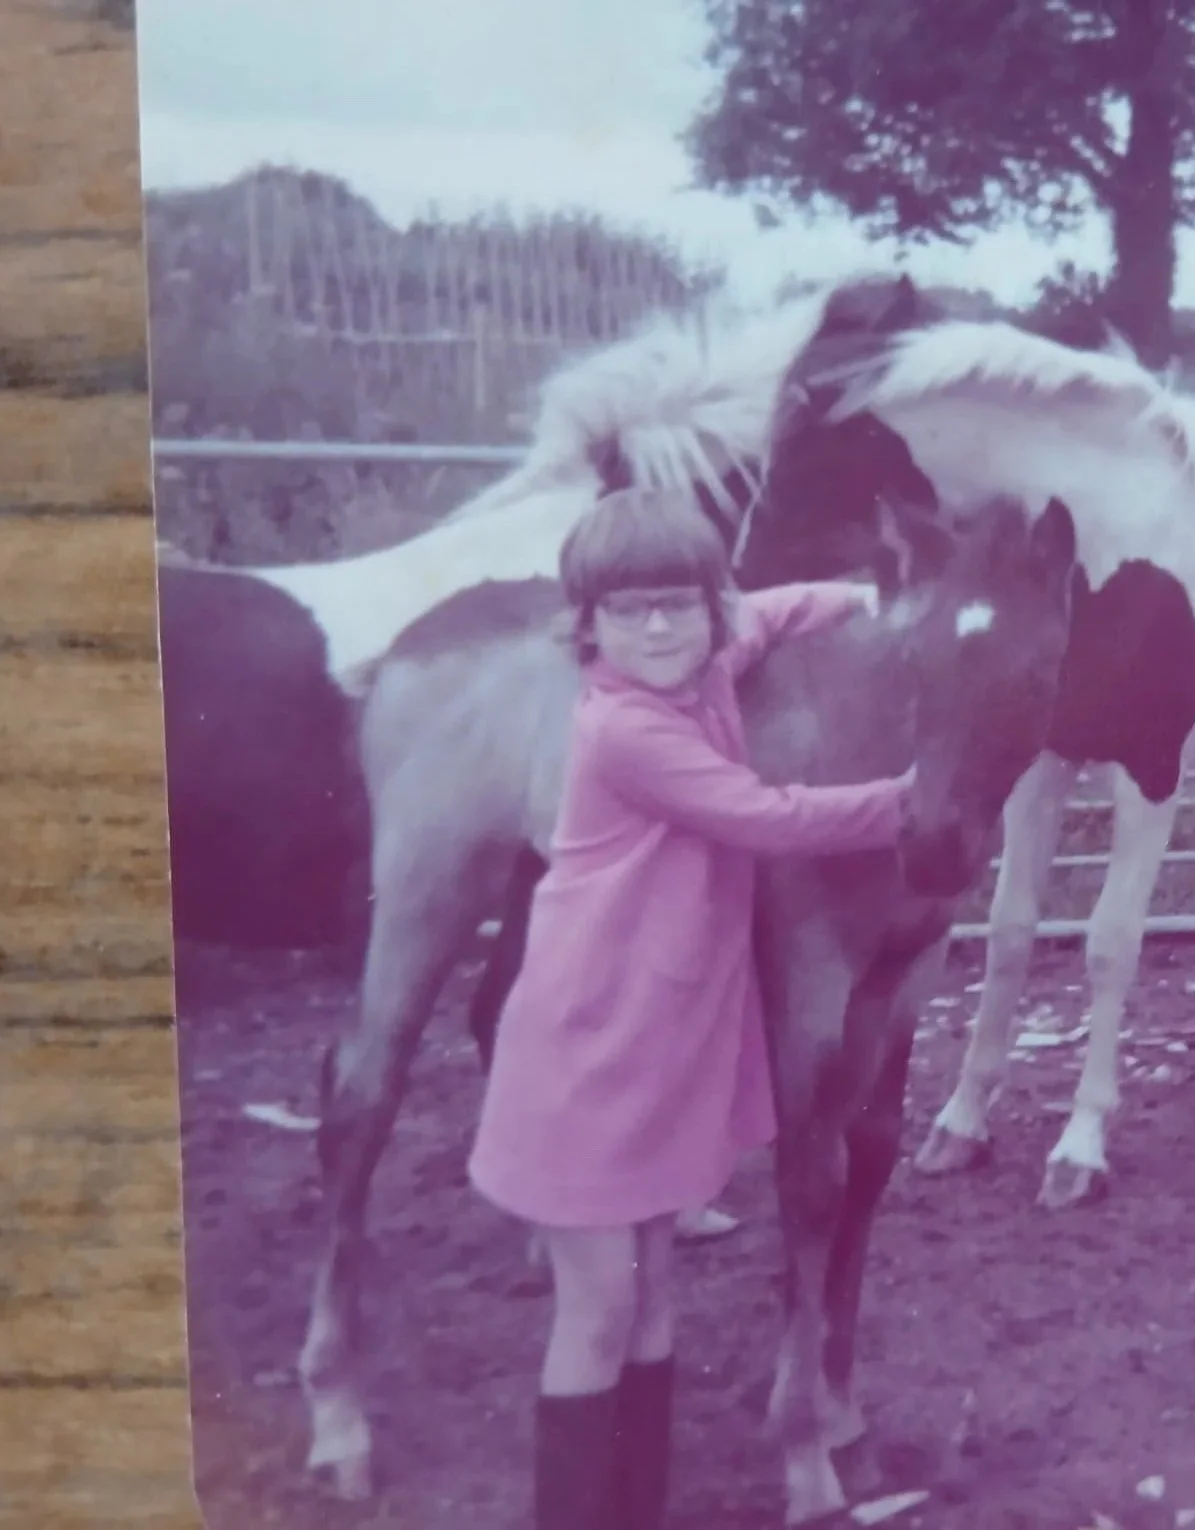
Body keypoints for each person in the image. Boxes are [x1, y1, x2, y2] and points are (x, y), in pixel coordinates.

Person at [466, 482, 916, 1530]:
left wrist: (860, 596)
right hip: (590, 1046)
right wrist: (911, 801)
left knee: (654, 1295)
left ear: (713, 604)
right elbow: (764, 815)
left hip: (661, 1047)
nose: (659, 626)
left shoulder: (710, 656)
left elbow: (775, 610)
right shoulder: (625, 728)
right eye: (630, 610)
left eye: (680, 602)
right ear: (588, 625)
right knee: (599, 1308)